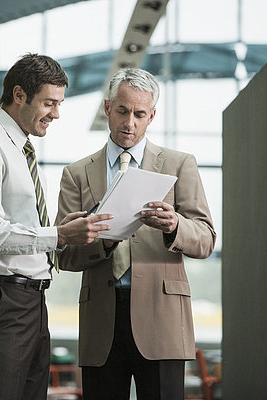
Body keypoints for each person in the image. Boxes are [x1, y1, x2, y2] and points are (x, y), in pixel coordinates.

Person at [0, 53, 113, 400]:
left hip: (32, 303)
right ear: (20, 94)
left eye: (59, 103)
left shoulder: (19, 147)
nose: (55, 113)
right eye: (49, 103)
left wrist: (59, 229)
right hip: (1, 301)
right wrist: (58, 235)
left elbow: (18, 224)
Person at [55, 68, 216, 400]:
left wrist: (174, 227)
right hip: (102, 319)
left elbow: (206, 238)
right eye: (122, 111)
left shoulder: (179, 164)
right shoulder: (76, 174)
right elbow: (64, 255)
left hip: (164, 317)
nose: (130, 122)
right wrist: (105, 239)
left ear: (152, 115)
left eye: (140, 114)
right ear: (107, 108)